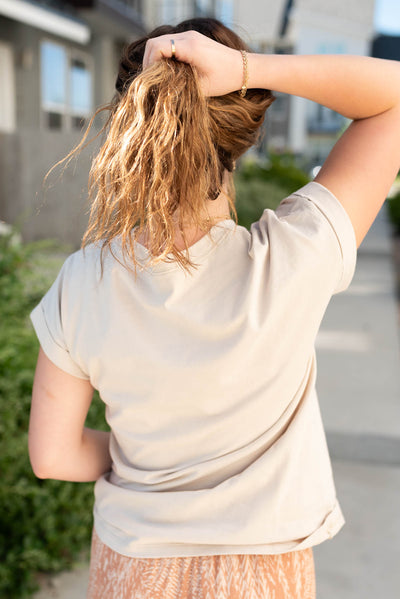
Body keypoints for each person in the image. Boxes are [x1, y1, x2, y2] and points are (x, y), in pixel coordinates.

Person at [28, 17, 400, 599]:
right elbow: (392, 99)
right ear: (244, 128)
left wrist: (145, 455)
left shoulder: (85, 280)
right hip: (263, 572)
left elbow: (52, 455)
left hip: (132, 568)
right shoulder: (293, 258)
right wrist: (251, 70)